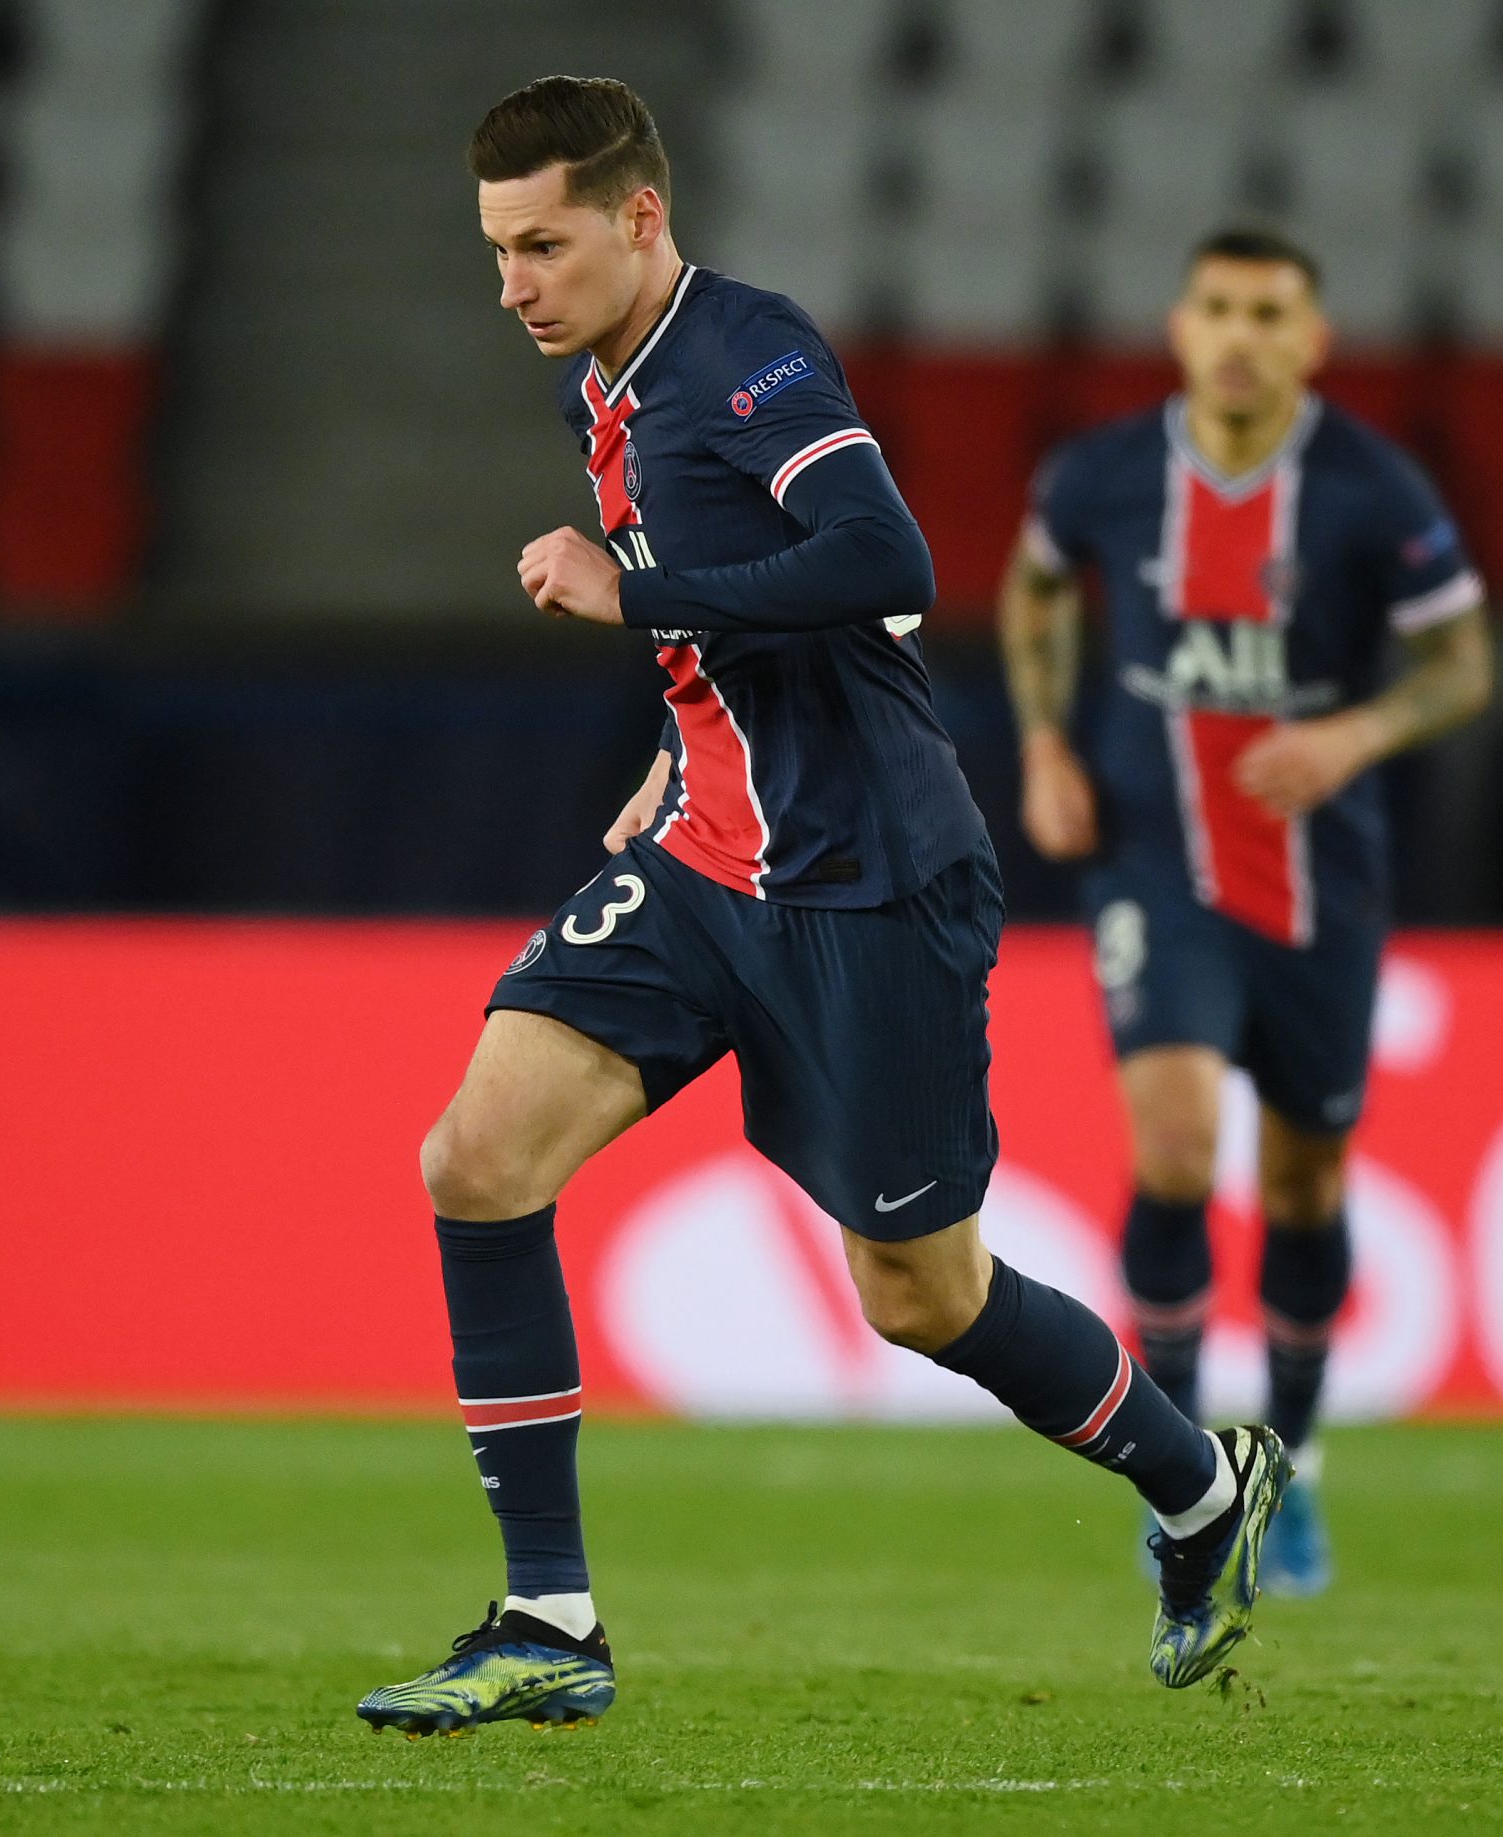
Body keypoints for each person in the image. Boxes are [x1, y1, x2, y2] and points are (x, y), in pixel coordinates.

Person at [356, 79, 1289, 1738]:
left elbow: (883, 560)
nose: (513, 285)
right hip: (706, 862)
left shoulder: (749, 351)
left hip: (871, 878)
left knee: (922, 1293)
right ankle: (549, 1619)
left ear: (642, 217)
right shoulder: (604, 382)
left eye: (544, 245)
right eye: (498, 251)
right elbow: (738, 620)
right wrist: (678, 735)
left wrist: (628, 591)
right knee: (475, 1161)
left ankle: (1200, 1490)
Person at [997, 226, 1493, 1597]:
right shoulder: (1101, 475)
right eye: (1216, 307)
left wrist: (1355, 734)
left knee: (1302, 1181)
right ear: (1180, 324)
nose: (1238, 335)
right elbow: (1033, 588)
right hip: (1154, 860)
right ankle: (1181, 1481)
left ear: (1312, 341)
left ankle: (1299, 1462)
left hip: (1319, 877)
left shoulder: (1371, 490)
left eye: (1269, 314)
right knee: (1170, 1148)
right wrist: (1041, 743)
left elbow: (1462, 662)